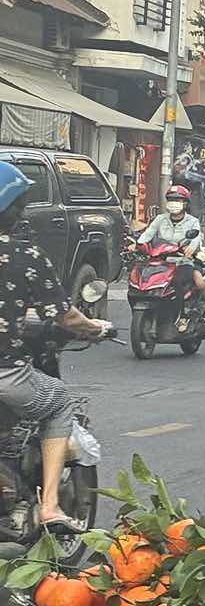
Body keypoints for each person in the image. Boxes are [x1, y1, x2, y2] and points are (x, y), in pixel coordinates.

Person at [0, 162, 114, 527]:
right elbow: (66, 317)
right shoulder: (25, 256)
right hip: (7, 373)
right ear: (14, 212)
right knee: (60, 401)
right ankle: (49, 506)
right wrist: (95, 327)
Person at [136, 186, 205, 327]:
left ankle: (186, 313)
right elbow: (148, 234)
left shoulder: (192, 222)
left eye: (177, 199)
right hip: (161, 261)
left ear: (185, 203)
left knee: (183, 282)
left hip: (183, 261)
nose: (173, 202)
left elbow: (195, 238)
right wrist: (138, 243)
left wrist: (190, 248)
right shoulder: (160, 219)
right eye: (171, 199)